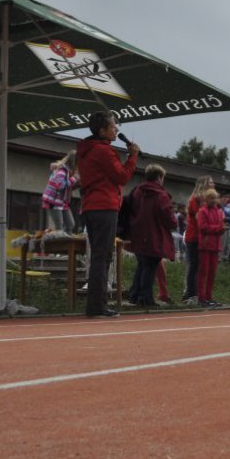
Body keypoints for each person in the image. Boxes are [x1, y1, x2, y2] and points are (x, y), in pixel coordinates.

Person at [77, 112, 139, 318]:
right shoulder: (104, 151)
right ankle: (97, 307)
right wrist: (132, 157)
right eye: (113, 127)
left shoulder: (86, 149)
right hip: (104, 206)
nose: (117, 129)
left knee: (99, 256)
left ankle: (97, 305)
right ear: (102, 130)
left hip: (91, 207)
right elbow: (121, 177)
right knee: (101, 257)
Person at [126, 164, 176, 307]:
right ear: (159, 177)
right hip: (154, 234)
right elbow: (168, 216)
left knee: (142, 264)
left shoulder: (137, 191)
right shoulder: (161, 195)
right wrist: (173, 223)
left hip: (137, 232)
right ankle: (145, 298)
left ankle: (134, 295)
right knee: (150, 266)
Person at [182, 176, 214, 304]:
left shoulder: (206, 201)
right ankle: (190, 293)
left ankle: (196, 292)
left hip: (202, 238)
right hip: (194, 237)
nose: (213, 185)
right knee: (194, 265)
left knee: (199, 266)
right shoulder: (195, 200)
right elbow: (200, 218)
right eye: (211, 183)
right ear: (204, 185)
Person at [195, 188, 225, 308]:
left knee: (212, 273)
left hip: (215, 245)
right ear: (205, 199)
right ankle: (202, 297)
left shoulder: (218, 211)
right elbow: (202, 227)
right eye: (211, 198)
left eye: (214, 198)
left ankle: (209, 296)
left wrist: (220, 228)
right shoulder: (202, 211)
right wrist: (218, 228)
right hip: (206, 245)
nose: (213, 200)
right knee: (204, 273)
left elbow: (220, 225)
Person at [41, 151, 78, 233]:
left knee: (70, 224)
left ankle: (66, 241)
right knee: (59, 226)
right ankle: (59, 243)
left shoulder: (68, 172)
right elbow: (60, 185)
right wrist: (73, 179)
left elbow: (67, 186)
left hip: (62, 202)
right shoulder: (62, 171)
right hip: (53, 201)